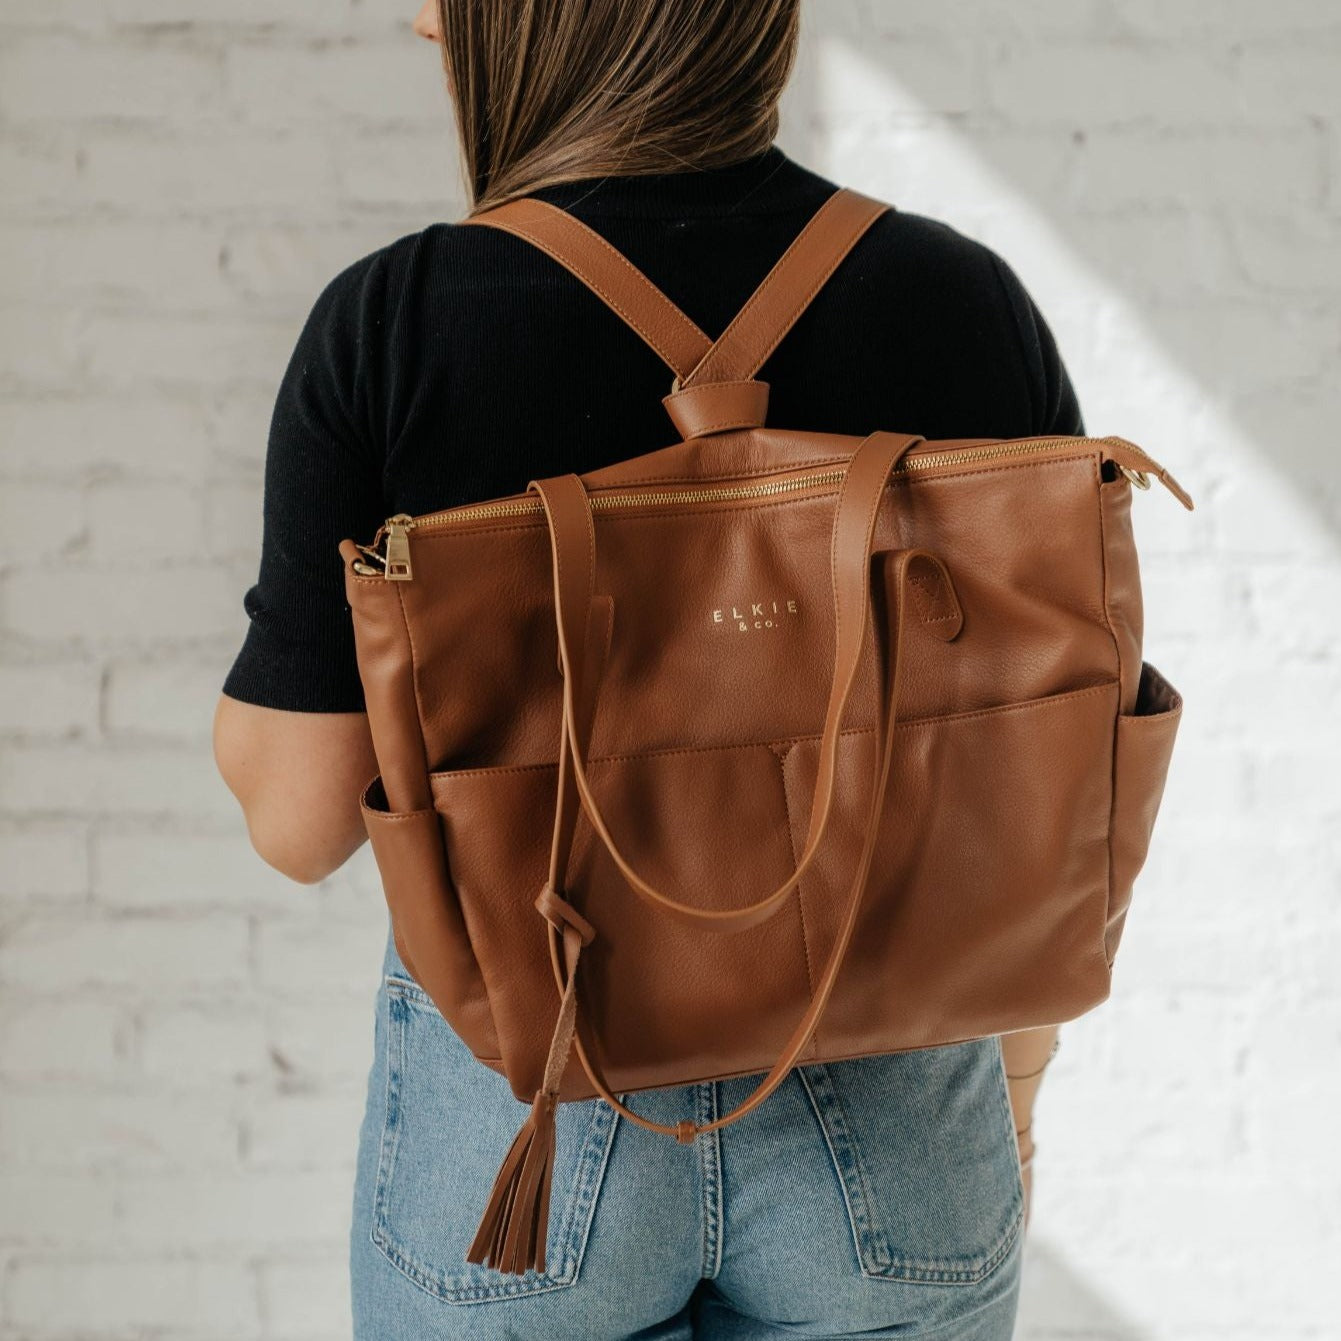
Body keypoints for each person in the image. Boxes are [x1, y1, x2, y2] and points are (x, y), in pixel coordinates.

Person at [213, 1, 1076, 1335]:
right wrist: (1011, 1090)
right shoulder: (962, 301)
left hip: (531, 1120)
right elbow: (1038, 792)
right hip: (897, 1100)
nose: (422, 20)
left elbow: (296, 820)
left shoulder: (395, 325)